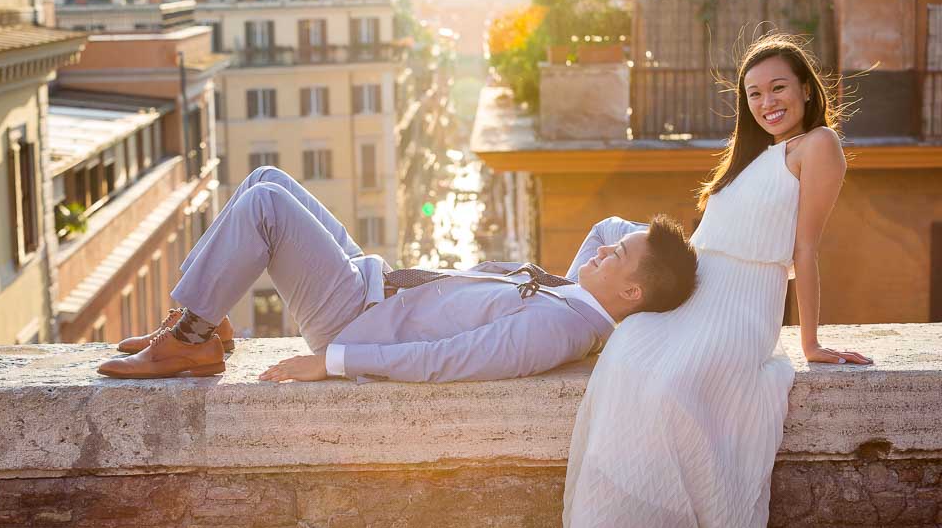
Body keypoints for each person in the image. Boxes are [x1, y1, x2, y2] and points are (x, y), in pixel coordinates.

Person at [557, 33, 873, 528]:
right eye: (754, 94)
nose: (766, 102)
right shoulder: (753, 155)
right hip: (699, 299)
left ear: (807, 88)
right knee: (629, 355)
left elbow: (805, 250)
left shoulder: (818, 147)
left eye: (778, 87)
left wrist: (809, 343)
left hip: (740, 313)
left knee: (668, 385)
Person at [96, 166, 697, 382]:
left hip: (355, 322)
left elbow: (448, 362)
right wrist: (679, 245)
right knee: (267, 181)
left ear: (632, 292)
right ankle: (206, 317)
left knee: (266, 209)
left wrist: (330, 363)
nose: (604, 249)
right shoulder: (578, 294)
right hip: (373, 284)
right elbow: (607, 228)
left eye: (619, 256)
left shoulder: (558, 330)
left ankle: (191, 342)